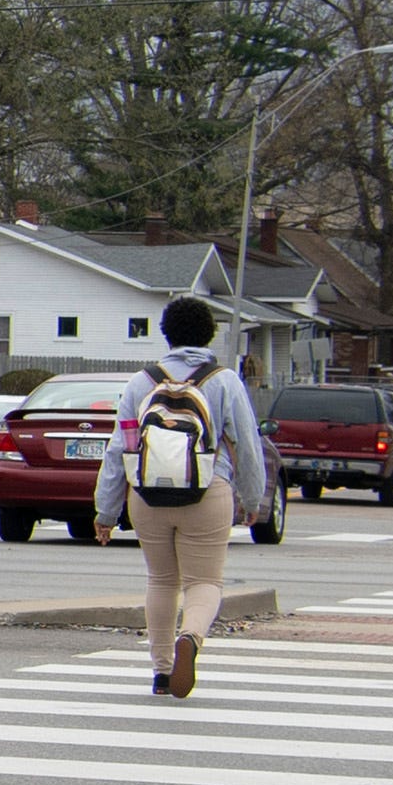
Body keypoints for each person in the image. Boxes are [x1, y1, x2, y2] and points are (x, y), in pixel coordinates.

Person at [96, 294, 271, 698]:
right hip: (208, 493)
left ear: (166, 333)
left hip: (147, 496)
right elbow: (247, 443)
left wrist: (105, 510)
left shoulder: (141, 381)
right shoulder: (224, 380)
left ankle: (161, 671)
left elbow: (119, 447)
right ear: (209, 334)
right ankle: (190, 637)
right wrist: (253, 498)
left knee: (160, 580)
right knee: (204, 581)